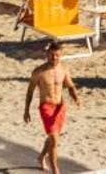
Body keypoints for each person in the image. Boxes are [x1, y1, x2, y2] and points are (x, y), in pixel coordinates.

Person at [23, 42, 81, 173]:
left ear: (61, 55)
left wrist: (76, 97)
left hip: (60, 107)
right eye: (51, 55)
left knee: (52, 137)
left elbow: (70, 85)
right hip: (46, 107)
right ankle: (55, 169)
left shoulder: (64, 69)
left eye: (57, 56)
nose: (54, 58)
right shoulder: (39, 72)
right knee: (54, 138)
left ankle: (41, 156)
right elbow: (30, 91)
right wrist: (26, 110)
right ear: (47, 54)